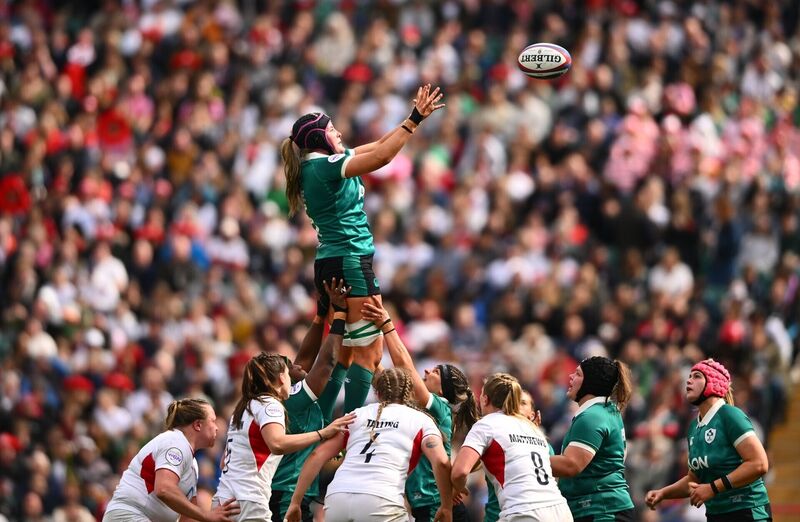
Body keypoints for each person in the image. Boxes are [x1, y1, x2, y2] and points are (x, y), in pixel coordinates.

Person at [280, 83, 445, 417]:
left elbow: (381, 145)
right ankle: (351, 432)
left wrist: (413, 118)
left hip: (332, 261)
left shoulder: (318, 166)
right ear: (317, 139)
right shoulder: (324, 167)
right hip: (350, 262)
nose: (338, 132)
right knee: (369, 355)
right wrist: (414, 120)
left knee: (346, 354)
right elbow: (383, 158)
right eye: (331, 129)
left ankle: (323, 424)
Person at [362, 302, 480, 522]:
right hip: (425, 507)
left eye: (435, 372)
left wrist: (387, 325)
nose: (426, 370)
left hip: (438, 507)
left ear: (443, 389)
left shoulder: (441, 407)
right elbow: (380, 372)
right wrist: (367, 333)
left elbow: (404, 366)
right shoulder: (413, 407)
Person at [284, 368, 453, 522]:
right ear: (409, 393)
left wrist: (295, 502)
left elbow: (316, 456)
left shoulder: (356, 415)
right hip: (382, 501)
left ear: (377, 393)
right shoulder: (421, 420)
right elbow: (441, 463)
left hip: (337, 498)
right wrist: (446, 506)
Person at [212, 353, 355, 521]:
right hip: (249, 500)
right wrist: (322, 433)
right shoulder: (271, 405)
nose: (291, 380)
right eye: (288, 374)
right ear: (281, 378)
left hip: (224, 498)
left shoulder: (243, 408)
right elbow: (277, 443)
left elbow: (224, 462)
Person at [270, 279, 356, 522]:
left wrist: (320, 316)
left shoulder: (290, 396)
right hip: (285, 495)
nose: (297, 364)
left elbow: (307, 358)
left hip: (294, 493)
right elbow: (325, 363)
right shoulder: (289, 402)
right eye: (289, 367)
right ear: (281, 380)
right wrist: (338, 314)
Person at [645, 359, 771, 521]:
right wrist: (663, 493)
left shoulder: (730, 415)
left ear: (714, 382)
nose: (689, 380)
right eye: (689, 376)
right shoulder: (693, 428)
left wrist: (713, 488)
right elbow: (694, 478)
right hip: (715, 514)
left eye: (697, 376)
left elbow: (759, 464)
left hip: (746, 510)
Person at [452, 373, 572, 522]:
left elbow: (459, 472)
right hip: (560, 510)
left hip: (524, 512)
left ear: (484, 399)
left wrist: (457, 487)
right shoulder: (533, 428)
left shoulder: (487, 424)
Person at [103, 398, 240, 522]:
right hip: (129, 515)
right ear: (198, 425)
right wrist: (206, 515)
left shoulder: (192, 463)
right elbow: (164, 489)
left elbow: (188, 517)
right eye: (213, 421)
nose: (217, 427)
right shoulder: (175, 442)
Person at [549, 356, 635, 522]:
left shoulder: (592, 416)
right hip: (603, 508)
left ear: (591, 383)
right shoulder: (607, 410)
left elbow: (571, 465)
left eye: (578, 374)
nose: (571, 377)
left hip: (601, 510)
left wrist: (529, 459)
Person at [484, 389, 554, 522]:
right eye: (513, 402)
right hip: (495, 517)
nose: (516, 405)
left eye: (522, 403)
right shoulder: (494, 438)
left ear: (533, 415)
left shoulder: (546, 448)